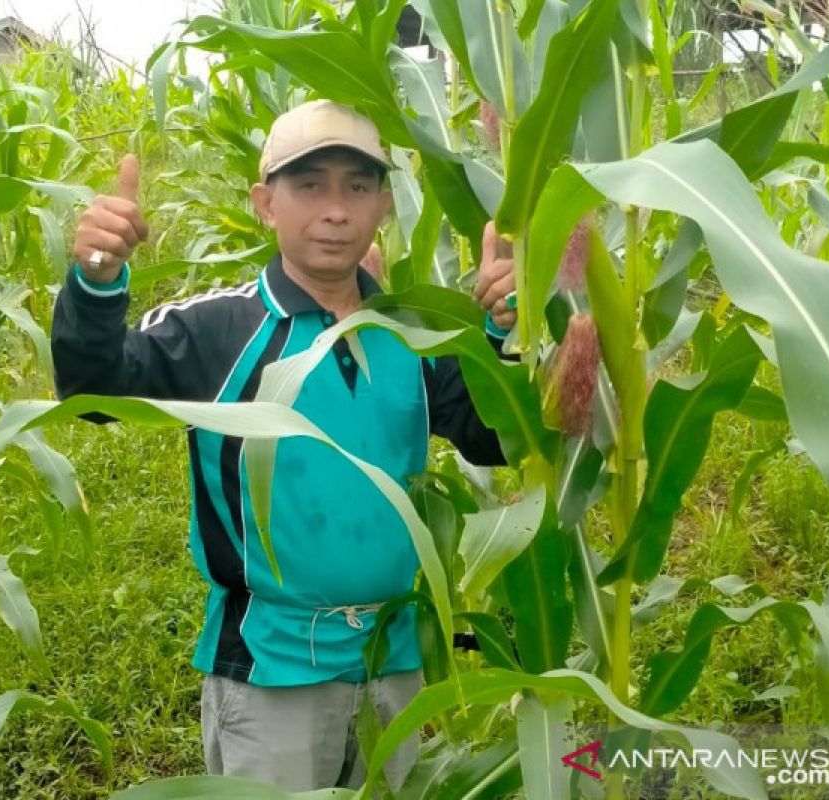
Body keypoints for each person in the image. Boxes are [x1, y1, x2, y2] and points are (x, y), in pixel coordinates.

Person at [51, 99, 519, 791]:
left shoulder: (416, 333)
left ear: (384, 206)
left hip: (394, 665)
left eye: (357, 188)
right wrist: (96, 284)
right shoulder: (218, 328)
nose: (335, 211)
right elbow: (96, 392)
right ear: (265, 203)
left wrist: (504, 336)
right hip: (272, 675)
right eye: (309, 186)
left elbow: (492, 438)